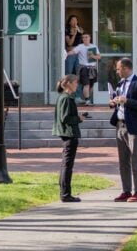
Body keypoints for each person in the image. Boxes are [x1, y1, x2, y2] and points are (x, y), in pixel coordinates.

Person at [109, 57, 137, 202]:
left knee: (135, 159)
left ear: (126, 68)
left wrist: (127, 101)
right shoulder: (120, 83)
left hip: (134, 127)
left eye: (118, 69)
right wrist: (113, 102)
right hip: (120, 125)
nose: (117, 71)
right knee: (123, 160)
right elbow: (119, 100)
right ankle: (126, 190)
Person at [52, 74, 83, 203]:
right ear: (69, 83)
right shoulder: (65, 98)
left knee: (66, 164)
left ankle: (65, 193)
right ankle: (65, 194)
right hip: (69, 133)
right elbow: (65, 118)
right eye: (75, 82)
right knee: (67, 165)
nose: (77, 85)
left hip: (68, 133)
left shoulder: (64, 98)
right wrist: (78, 119)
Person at [74, 33, 101, 105]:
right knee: (86, 84)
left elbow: (99, 57)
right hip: (84, 68)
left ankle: (87, 98)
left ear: (90, 38)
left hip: (93, 68)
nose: (85, 39)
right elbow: (73, 51)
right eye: (83, 37)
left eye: (86, 37)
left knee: (91, 85)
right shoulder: (80, 46)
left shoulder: (94, 46)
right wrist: (66, 53)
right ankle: (87, 100)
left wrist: (92, 56)